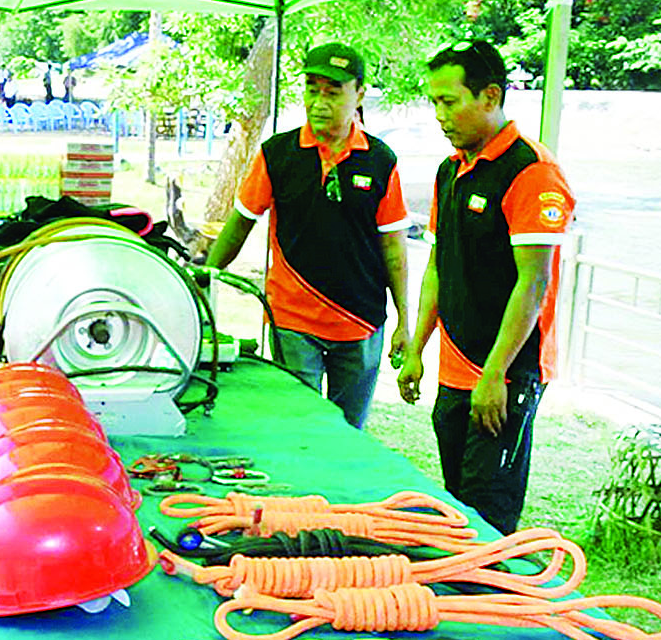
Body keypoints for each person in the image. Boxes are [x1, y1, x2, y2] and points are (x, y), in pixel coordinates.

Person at [397, 40, 576, 534]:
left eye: (449, 101)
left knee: (488, 514)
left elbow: (533, 283)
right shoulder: (450, 170)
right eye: (434, 102)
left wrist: (495, 375)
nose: (439, 115)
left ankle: (490, 582)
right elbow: (439, 266)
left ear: (491, 96)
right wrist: (416, 348)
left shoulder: (532, 172)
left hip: (507, 373)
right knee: (456, 504)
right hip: (454, 369)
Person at [207, 42, 410, 429]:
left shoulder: (381, 160)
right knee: (296, 427)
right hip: (293, 321)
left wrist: (404, 320)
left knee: (348, 433)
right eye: (312, 90)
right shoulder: (277, 153)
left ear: (360, 94)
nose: (319, 102)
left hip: (361, 322)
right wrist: (206, 276)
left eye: (333, 92)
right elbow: (240, 223)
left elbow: (394, 249)